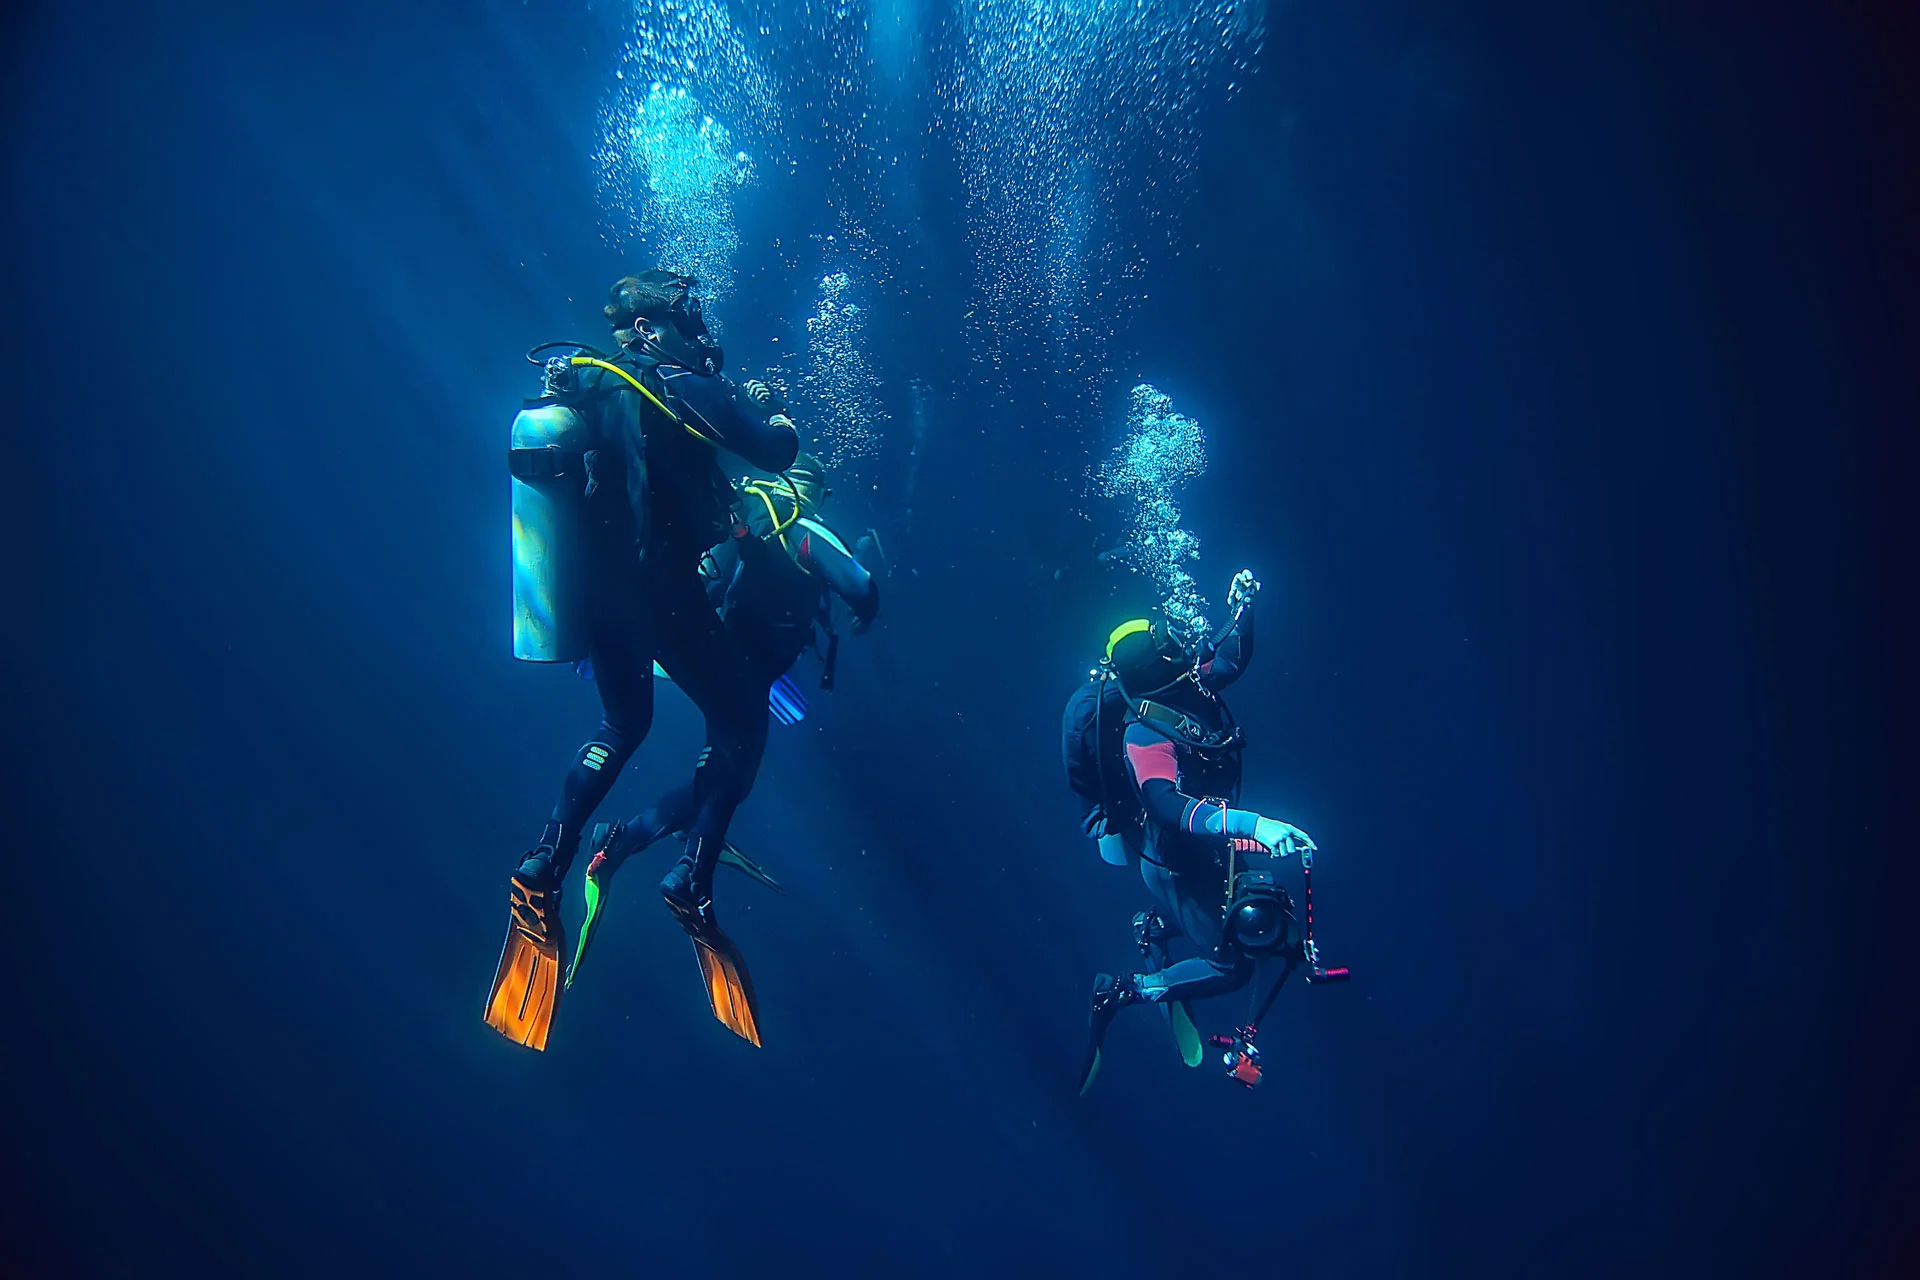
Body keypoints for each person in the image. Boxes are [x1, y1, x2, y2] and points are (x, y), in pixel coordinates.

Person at [487, 269, 799, 1051]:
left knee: (622, 721)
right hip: (662, 598)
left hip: (597, 596)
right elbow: (771, 451)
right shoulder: (678, 384)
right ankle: (690, 881)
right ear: (663, 329)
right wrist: (770, 408)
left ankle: (543, 862)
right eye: (691, 326)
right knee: (740, 724)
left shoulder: (587, 387)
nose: (703, 340)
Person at [562, 454, 882, 1019]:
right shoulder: (801, 530)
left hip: (714, 658)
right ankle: (689, 872)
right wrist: (866, 606)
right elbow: (860, 585)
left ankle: (628, 841)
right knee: (731, 772)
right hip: (743, 672)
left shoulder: (749, 512)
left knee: (730, 776)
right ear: (813, 492)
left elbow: (703, 574)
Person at [1070, 570, 1320, 1094]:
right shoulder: (1142, 733)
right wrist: (1256, 826)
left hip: (1209, 850)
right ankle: (1121, 992)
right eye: (1167, 644)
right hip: (1174, 865)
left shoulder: (1187, 684)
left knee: (1258, 912)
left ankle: (1157, 930)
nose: (1179, 646)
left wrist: (1243, 610)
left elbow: (1229, 659)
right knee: (1233, 967)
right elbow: (1168, 809)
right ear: (1155, 659)